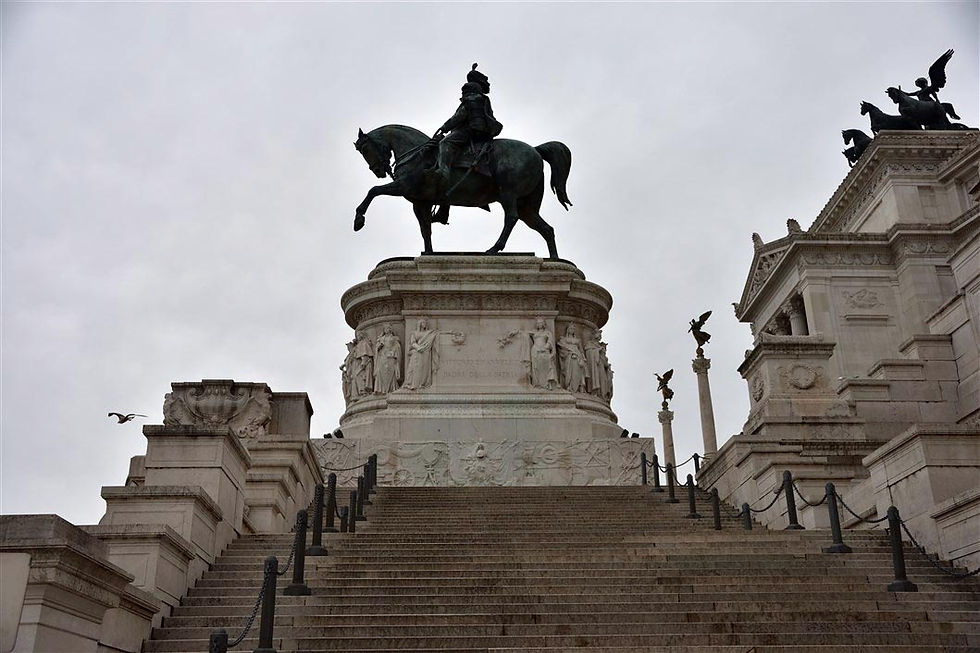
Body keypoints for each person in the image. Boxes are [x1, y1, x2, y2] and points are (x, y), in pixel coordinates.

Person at [429, 64, 502, 189]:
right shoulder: (483, 99)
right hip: (484, 132)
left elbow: (459, 117)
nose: (463, 94)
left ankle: (443, 172)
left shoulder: (470, 99)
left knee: (445, 143)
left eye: (464, 91)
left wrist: (444, 127)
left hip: (471, 131)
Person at [405, 317, 440, 390]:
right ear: (420, 324)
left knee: (425, 368)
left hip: (426, 352)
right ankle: (415, 384)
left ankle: (423, 384)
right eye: (423, 323)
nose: (425, 324)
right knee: (416, 368)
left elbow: (439, 333)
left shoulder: (430, 333)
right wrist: (418, 347)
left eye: (426, 323)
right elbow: (413, 342)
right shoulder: (415, 333)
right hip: (418, 352)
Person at [373, 323, 402, 394]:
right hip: (382, 357)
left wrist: (393, 352)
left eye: (389, 328)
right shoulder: (380, 339)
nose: (387, 330)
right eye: (386, 328)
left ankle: (391, 389)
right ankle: (381, 389)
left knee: (390, 372)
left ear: (391, 329)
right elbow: (376, 349)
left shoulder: (394, 338)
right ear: (384, 330)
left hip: (390, 357)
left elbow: (397, 347)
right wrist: (379, 347)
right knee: (380, 372)